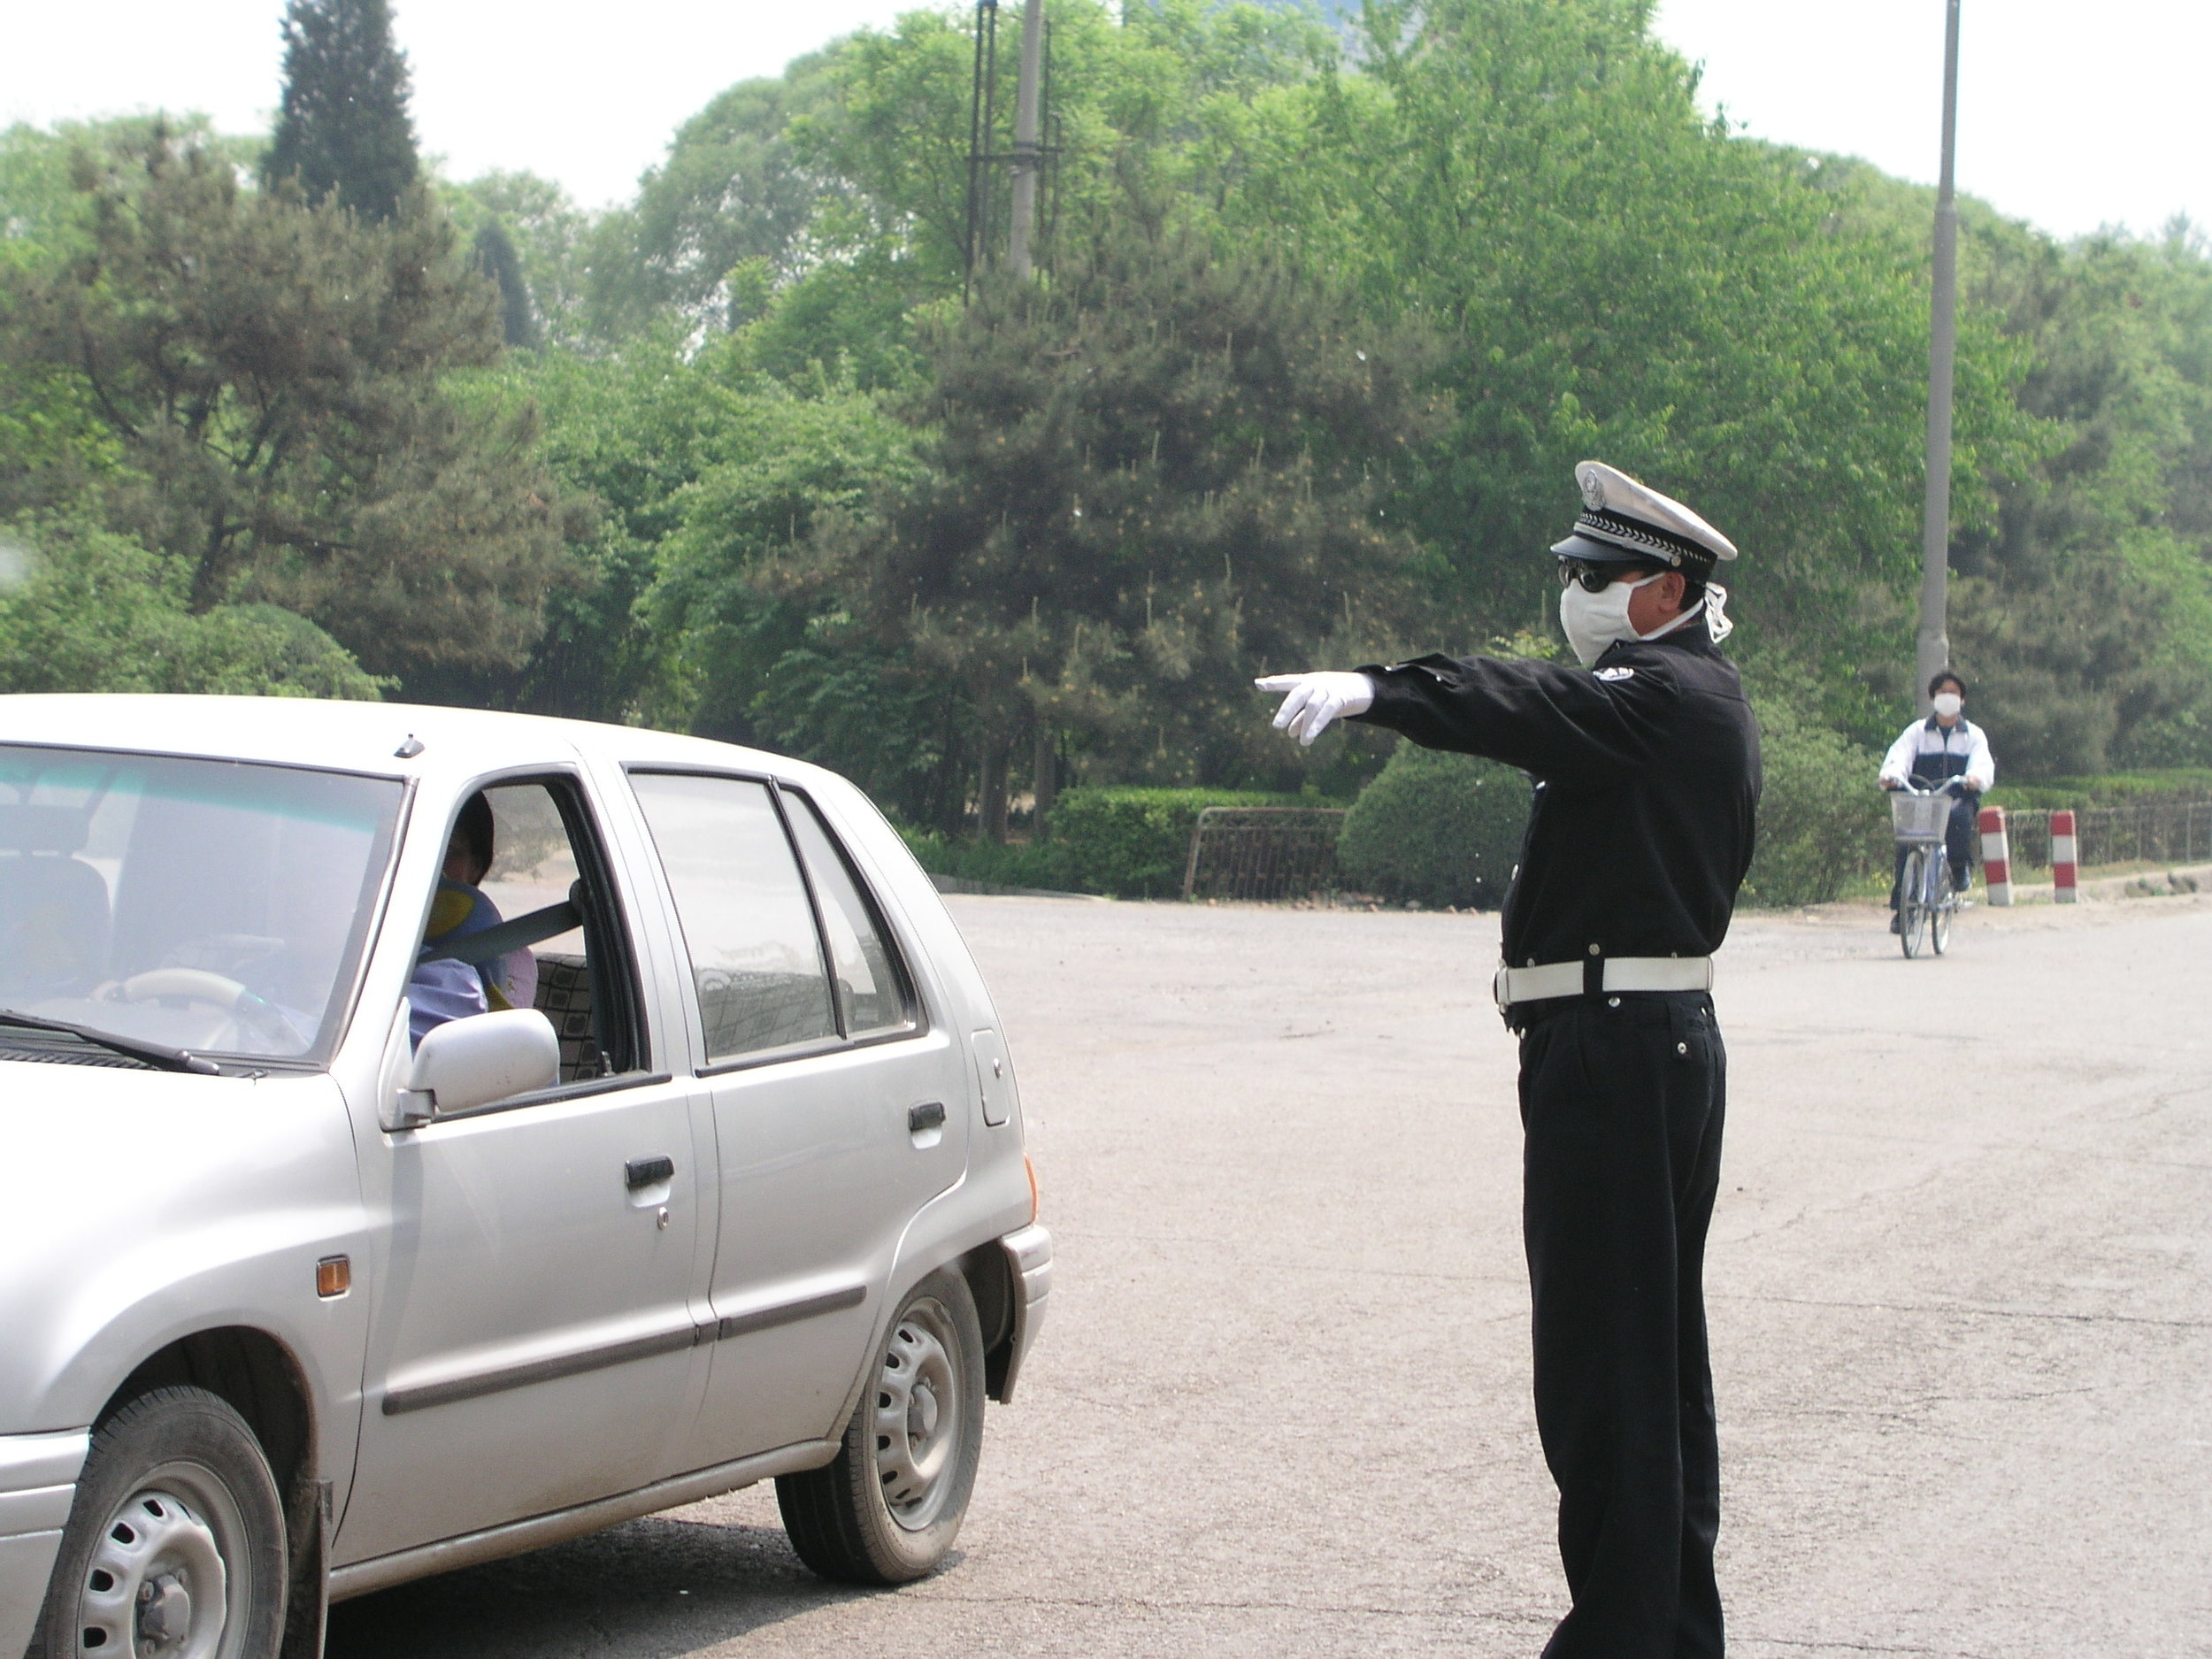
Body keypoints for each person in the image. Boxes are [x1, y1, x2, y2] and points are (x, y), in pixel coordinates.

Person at [1257, 461, 1760, 1659]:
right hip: (1639, 1042)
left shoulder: (1665, 692)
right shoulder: (1673, 695)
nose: (1574, 595)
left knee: (1607, 1377)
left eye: (1595, 576)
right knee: (1650, 1365)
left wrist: (1383, 690)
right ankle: (1671, 1634)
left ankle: (1626, 1639)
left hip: (1619, 1049)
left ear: (1664, 589)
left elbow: (1517, 700)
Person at [406, 792, 537, 1046]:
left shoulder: (505, 955)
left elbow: (500, 1053)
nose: (429, 863)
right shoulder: (360, 938)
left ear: (475, 865)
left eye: (448, 849)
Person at [1878, 671, 1994, 928]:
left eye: (1954, 693)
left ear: (1962, 700)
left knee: (1958, 818)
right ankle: (1903, 911)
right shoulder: (1916, 732)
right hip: (1920, 800)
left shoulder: (1973, 735)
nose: (1948, 697)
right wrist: (1891, 776)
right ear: (1933, 698)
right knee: (1906, 846)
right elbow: (1899, 758)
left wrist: (1974, 778)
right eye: (1943, 692)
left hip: (1955, 799)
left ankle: (1958, 867)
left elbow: (1983, 766)